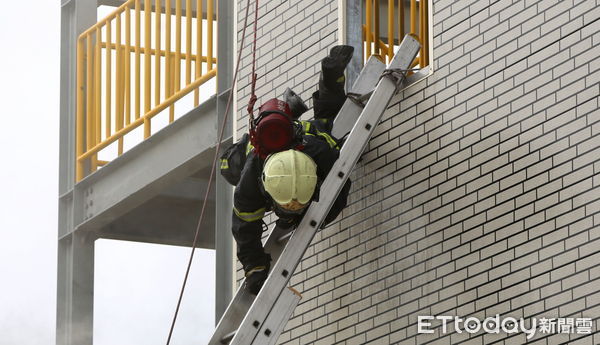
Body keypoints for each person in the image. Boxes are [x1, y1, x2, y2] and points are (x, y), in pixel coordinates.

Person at [231, 45, 354, 294]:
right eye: (288, 207)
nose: (292, 212)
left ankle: (330, 75)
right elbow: (245, 228)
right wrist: (254, 267)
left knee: (329, 120)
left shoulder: (322, 153)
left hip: (304, 136)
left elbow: (342, 186)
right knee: (230, 166)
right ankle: (292, 106)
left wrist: (323, 218)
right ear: (267, 187)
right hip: (247, 154)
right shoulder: (251, 182)